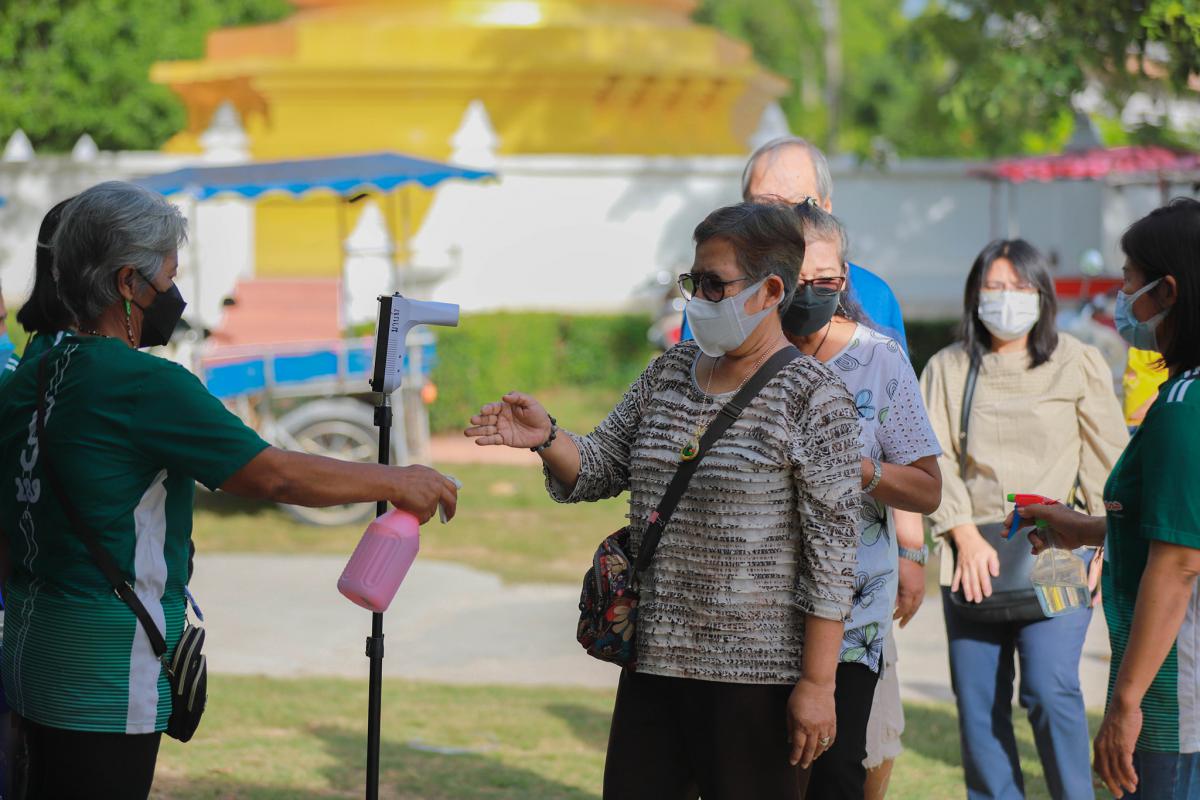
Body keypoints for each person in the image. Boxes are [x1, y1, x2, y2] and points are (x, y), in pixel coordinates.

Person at [0, 181, 460, 799]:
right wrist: (398, 480)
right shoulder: (144, 384)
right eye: (168, 276)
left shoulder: (28, 377)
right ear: (128, 282)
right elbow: (271, 473)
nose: (174, 295)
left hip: (29, 655)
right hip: (107, 672)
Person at [467, 202, 862, 800]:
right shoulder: (669, 372)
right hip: (653, 662)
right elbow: (601, 465)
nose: (699, 298)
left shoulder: (816, 398)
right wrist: (547, 438)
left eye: (715, 284)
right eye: (693, 281)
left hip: (757, 681)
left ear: (771, 290)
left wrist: (818, 684)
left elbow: (832, 561)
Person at [739, 136, 926, 794]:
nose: (784, 219)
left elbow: (909, 457)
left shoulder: (874, 333)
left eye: (798, 204)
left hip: (851, 607)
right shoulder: (727, 318)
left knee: (851, 760)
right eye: (764, 202)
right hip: (750, 610)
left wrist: (909, 549)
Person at [920, 239, 1127, 799]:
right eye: (994, 286)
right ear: (974, 294)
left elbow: (1107, 459)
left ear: (1042, 295)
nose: (1006, 298)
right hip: (973, 555)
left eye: (1019, 286)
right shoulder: (948, 367)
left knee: (1049, 688)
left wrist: (1104, 541)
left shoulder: (1077, 361)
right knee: (979, 706)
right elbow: (931, 457)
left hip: (1057, 550)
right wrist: (962, 532)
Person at [1015, 198, 1200, 799]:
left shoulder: (1184, 407)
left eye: (1128, 280)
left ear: (1167, 291)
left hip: (1176, 701)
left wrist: (1125, 704)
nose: (1121, 297)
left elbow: (1179, 562)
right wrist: (1086, 528)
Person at [782, 202, 942, 800]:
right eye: (795, 278)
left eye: (824, 280)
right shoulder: (745, 355)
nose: (809, 292)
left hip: (851, 621)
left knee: (835, 774)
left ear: (844, 278)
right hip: (755, 616)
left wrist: (863, 471)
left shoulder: (879, 358)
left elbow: (926, 487)